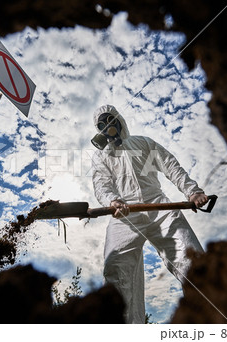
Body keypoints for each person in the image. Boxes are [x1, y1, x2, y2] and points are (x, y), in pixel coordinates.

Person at [91, 104, 208, 324]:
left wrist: (193, 191)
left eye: (110, 119)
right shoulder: (102, 157)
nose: (107, 125)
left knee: (191, 259)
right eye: (102, 124)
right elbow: (101, 183)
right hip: (124, 215)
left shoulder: (143, 143)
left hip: (158, 207)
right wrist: (112, 200)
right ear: (99, 130)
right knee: (116, 267)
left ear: (119, 120)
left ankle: (212, 319)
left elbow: (170, 164)